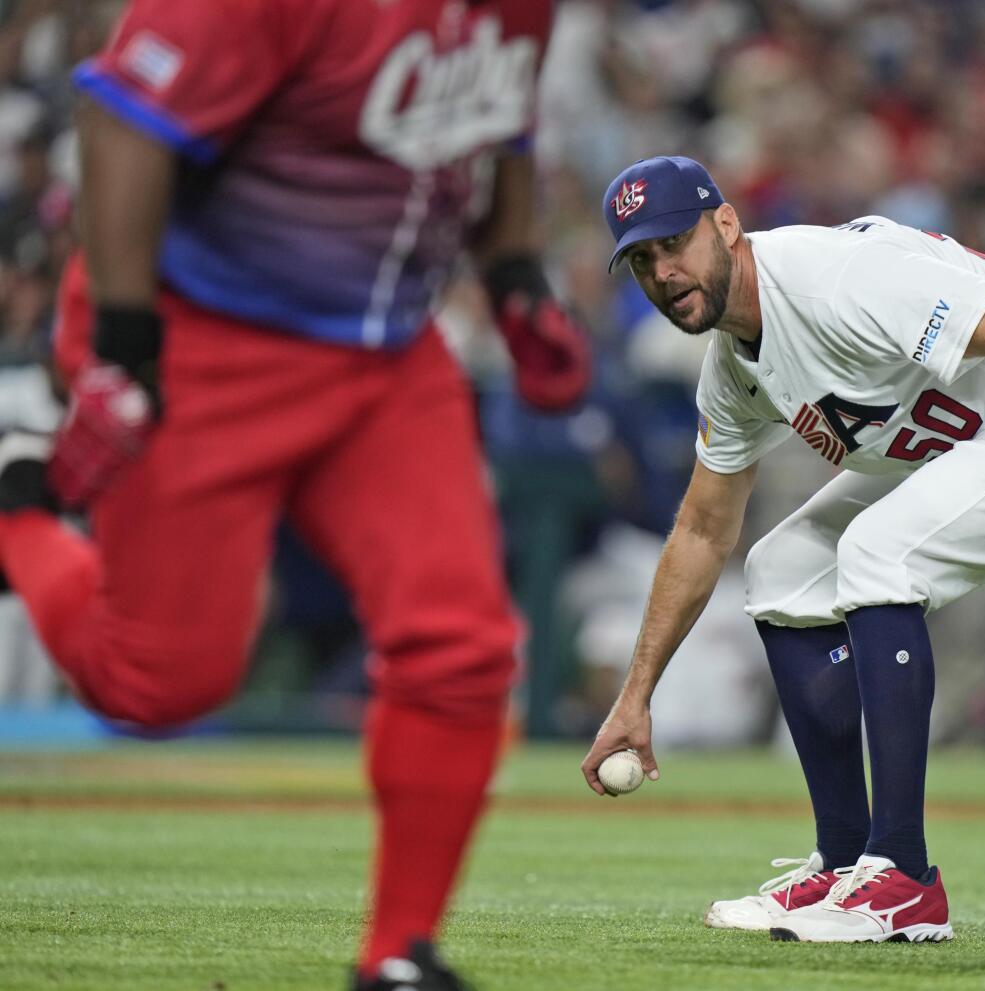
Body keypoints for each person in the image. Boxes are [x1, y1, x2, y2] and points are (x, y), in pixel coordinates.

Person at [0, 3, 589, 988]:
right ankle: (18, 504)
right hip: (208, 333)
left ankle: (397, 952)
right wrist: (126, 342)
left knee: (463, 642)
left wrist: (518, 271)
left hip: (385, 352)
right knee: (157, 682)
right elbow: (121, 118)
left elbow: (498, 125)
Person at [579, 156, 985, 944]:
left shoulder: (829, 281)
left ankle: (903, 876)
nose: (664, 271)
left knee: (878, 551)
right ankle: (845, 859)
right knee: (782, 570)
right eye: (643, 260)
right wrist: (636, 694)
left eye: (675, 242)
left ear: (726, 225)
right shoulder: (733, 370)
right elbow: (700, 531)